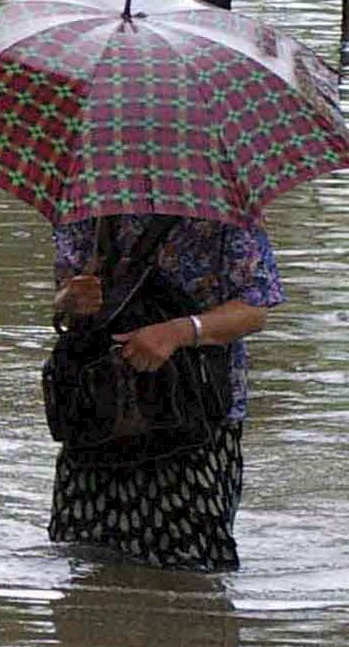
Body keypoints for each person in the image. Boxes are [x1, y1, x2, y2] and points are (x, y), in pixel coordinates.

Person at [49, 215, 283, 571]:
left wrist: (177, 332)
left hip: (197, 413)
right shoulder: (89, 207)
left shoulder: (230, 214)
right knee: (83, 561)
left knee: (194, 569)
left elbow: (253, 310)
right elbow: (64, 298)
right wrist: (70, 297)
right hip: (100, 409)